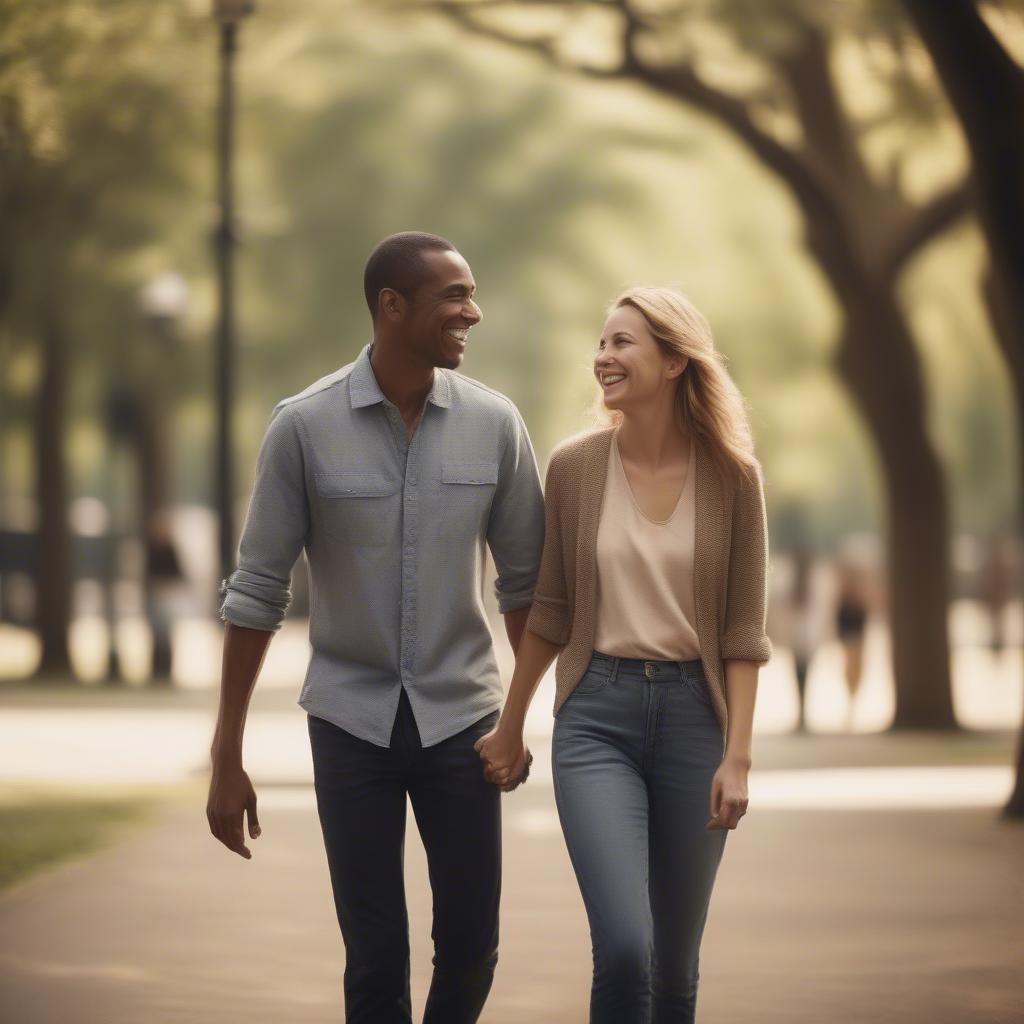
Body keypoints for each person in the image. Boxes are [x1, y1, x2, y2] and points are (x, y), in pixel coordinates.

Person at [207, 232, 545, 1024]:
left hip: (465, 722)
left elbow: (528, 590)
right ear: (392, 307)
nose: (474, 311)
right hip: (349, 723)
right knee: (374, 953)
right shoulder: (302, 426)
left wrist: (521, 721)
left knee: (471, 944)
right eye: (454, 296)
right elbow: (255, 593)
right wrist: (227, 753)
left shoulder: (496, 425)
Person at [476, 286, 772, 1024]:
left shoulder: (734, 477)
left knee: (675, 968)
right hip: (595, 721)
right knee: (626, 948)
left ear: (674, 362)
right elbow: (550, 611)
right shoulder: (574, 468)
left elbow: (742, 632)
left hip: (694, 724)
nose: (603, 358)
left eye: (622, 343)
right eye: (601, 343)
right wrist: (512, 725)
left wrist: (736, 756)